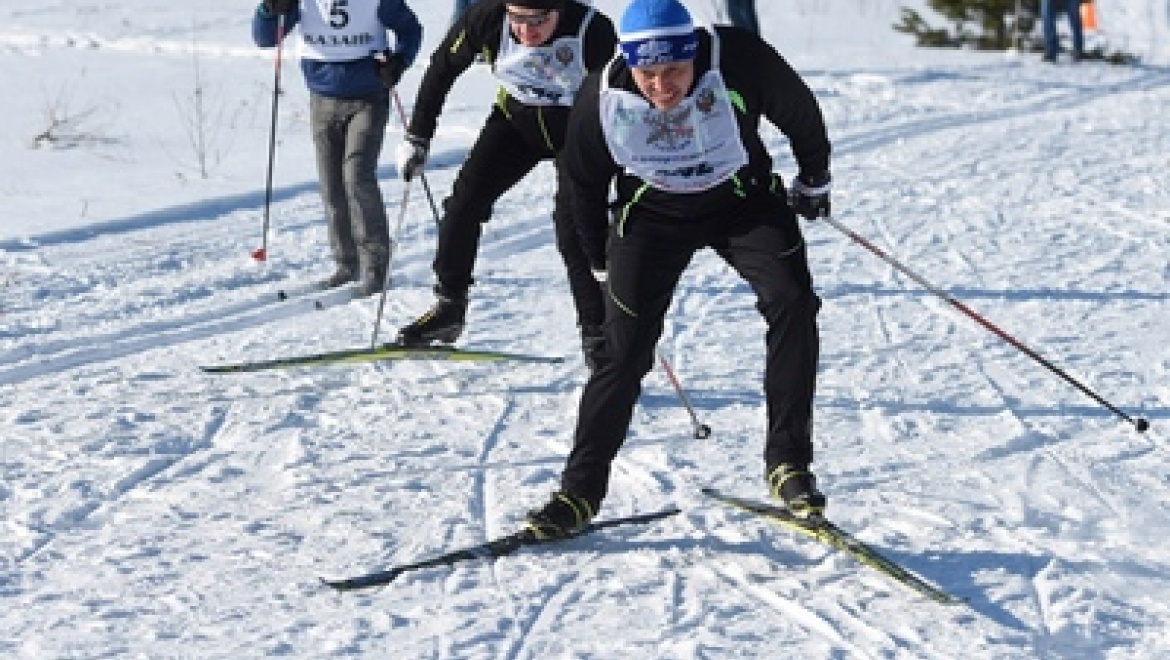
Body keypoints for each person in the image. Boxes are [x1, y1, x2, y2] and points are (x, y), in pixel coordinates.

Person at [523, 0, 833, 539]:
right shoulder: (602, 96)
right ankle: (578, 493)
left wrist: (813, 183)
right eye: (649, 74)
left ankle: (789, 465)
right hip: (653, 214)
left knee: (793, 302)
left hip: (742, 200)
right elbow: (581, 189)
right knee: (623, 351)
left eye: (674, 72)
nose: (662, 87)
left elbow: (800, 112)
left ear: (693, 56)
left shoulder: (737, 58)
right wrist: (599, 261)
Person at [392, 0, 617, 367]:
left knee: (574, 227)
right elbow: (442, 68)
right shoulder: (487, 19)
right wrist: (418, 135)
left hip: (576, 129)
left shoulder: (592, 30)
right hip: (517, 121)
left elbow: (621, 97)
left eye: (539, 21)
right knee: (464, 204)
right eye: (519, 19)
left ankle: (597, 333)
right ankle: (449, 306)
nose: (527, 31)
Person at [252, 0, 423, 295]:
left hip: (368, 98)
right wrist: (269, 9)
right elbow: (266, 38)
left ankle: (376, 266)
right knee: (332, 185)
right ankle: (347, 263)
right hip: (322, 99)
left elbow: (410, 30)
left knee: (357, 176)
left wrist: (399, 61)